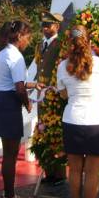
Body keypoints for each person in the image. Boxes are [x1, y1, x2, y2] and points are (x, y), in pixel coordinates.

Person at [56, 25, 99, 198]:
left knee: (75, 170)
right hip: (97, 122)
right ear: (89, 42)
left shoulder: (63, 66)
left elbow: (63, 95)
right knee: (93, 173)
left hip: (72, 121)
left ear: (70, 43)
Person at [0, 20, 42, 198]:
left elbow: (13, 82)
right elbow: (19, 88)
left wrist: (34, 84)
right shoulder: (16, 57)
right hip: (9, 105)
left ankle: (7, 194)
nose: (28, 41)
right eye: (28, 36)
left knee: (8, 153)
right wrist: (27, 103)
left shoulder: (2, 54)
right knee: (11, 155)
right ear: (20, 36)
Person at [34, 11, 66, 186]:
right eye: (43, 26)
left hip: (54, 92)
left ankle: (59, 174)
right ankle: (48, 172)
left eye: (49, 25)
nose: (45, 28)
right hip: (41, 93)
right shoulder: (41, 45)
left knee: (55, 132)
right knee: (43, 129)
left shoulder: (61, 45)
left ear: (57, 26)